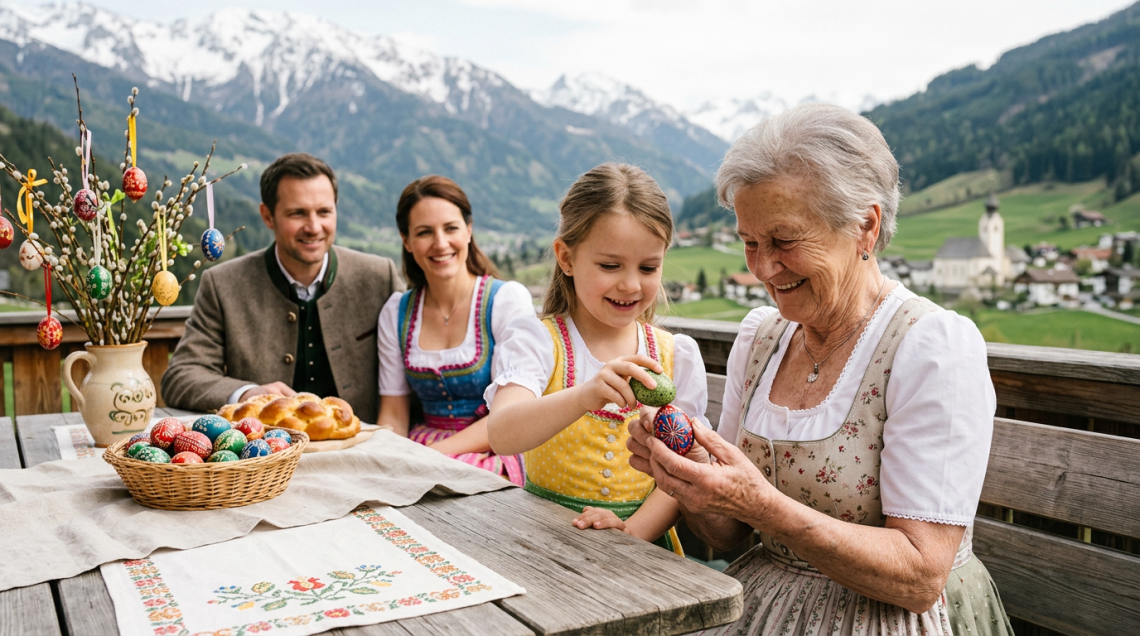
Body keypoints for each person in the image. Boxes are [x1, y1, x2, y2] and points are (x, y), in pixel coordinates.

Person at [626, 104, 1013, 635]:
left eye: (784, 240)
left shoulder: (930, 347)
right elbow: (728, 535)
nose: (762, 267)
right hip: (766, 605)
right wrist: (690, 477)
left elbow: (921, 575)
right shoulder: (761, 339)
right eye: (749, 242)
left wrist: (760, 504)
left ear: (865, 227)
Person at [485, 163, 709, 553]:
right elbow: (502, 434)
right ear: (566, 259)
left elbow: (683, 471)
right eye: (610, 266)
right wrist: (583, 396)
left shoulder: (677, 356)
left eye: (649, 267)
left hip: (644, 550)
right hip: (544, 543)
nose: (630, 284)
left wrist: (630, 531)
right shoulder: (538, 340)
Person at [162, 153, 404, 423]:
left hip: (360, 449)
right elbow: (181, 376)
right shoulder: (223, 284)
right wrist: (248, 393)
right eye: (298, 213)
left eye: (324, 212)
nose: (314, 227)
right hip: (265, 458)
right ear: (267, 216)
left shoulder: (379, 277)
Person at [376, 175, 534, 485]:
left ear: (469, 230)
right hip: (420, 446)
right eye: (424, 232)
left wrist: (432, 454)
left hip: (492, 448)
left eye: (451, 228)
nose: (440, 243)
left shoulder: (505, 301)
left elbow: (509, 418)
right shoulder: (397, 312)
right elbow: (394, 415)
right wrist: (384, 456)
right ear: (406, 241)